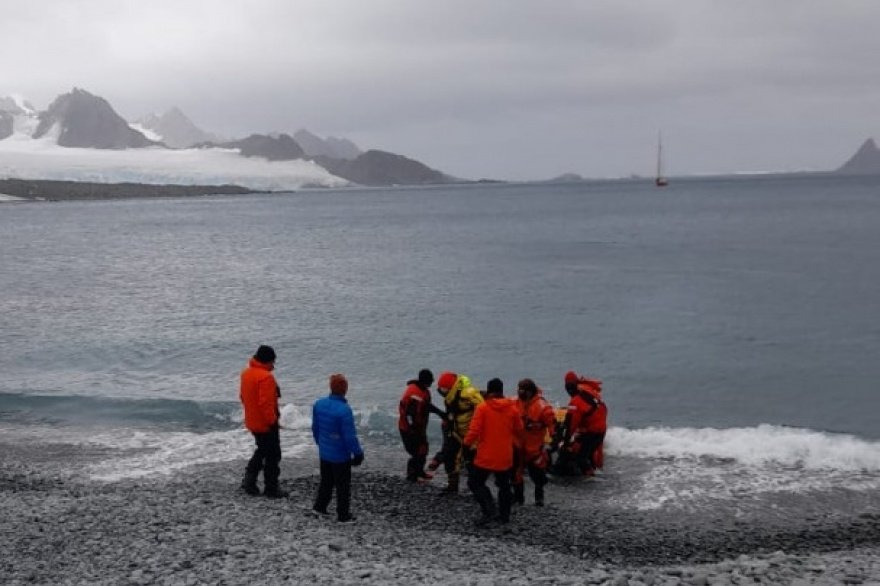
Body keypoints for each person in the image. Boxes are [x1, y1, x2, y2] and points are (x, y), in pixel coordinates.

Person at [463, 378, 523, 525]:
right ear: (502, 391)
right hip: (505, 456)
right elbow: (519, 429)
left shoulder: (483, 408)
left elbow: (474, 431)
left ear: (489, 391)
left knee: (475, 482)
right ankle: (504, 517)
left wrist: (465, 445)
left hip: (485, 456)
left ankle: (489, 509)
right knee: (504, 486)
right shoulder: (513, 409)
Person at [312, 373, 364, 522]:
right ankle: (343, 514)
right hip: (340, 455)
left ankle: (320, 507)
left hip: (325, 451)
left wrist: (320, 444)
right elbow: (349, 436)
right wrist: (358, 453)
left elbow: (315, 428)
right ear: (344, 389)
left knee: (326, 481)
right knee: (343, 486)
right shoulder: (344, 410)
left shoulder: (319, 404)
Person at [239, 344, 287, 498]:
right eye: (272, 362)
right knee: (273, 455)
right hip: (265, 423)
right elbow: (266, 404)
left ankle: (249, 481)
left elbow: (242, 397)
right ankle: (271, 488)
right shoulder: (266, 377)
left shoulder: (246, 374)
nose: (273, 365)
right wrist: (273, 421)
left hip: (252, 421)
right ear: (267, 361)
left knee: (262, 450)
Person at [434, 371, 484, 495]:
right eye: (440, 388)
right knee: (450, 457)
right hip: (456, 431)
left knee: (472, 461)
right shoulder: (451, 397)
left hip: (471, 434)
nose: (441, 391)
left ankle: (477, 487)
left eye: (443, 388)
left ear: (450, 387)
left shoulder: (467, 393)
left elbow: (483, 408)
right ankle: (452, 485)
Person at [553, 370, 607, 476]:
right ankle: (595, 465)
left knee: (580, 457)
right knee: (590, 450)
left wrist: (565, 442)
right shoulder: (588, 389)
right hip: (601, 427)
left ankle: (590, 476)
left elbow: (570, 426)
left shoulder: (575, 403)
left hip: (593, 431)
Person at [513, 378, 556, 506]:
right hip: (517, 446)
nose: (520, 392)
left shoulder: (542, 407)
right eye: (519, 389)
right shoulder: (514, 403)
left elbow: (552, 424)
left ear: (531, 392)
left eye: (523, 390)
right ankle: (518, 499)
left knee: (538, 476)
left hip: (534, 449)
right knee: (516, 475)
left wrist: (554, 441)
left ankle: (539, 498)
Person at [398, 369, 445, 482]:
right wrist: (412, 430)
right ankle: (412, 476)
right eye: (431, 380)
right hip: (409, 429)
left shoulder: (423, 391)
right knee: (416, 452)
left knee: (423, 449)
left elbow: (427, 406)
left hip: (419, 427)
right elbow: (408, 415)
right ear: (426, 381)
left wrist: (440, 413)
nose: (432, 382)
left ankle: (420, 472)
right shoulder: (414, 394)